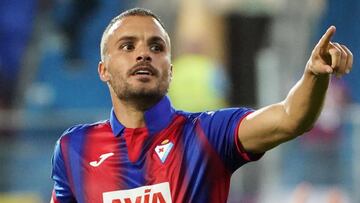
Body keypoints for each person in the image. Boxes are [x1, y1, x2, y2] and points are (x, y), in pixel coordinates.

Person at [50, 8, 353, 203]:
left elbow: (290, 118)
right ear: (103, 69)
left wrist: (313, 75)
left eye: (157, 47)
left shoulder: (208, 133)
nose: (144, 54)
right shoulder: (73, 148)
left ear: (171, 67)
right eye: (128, 46)